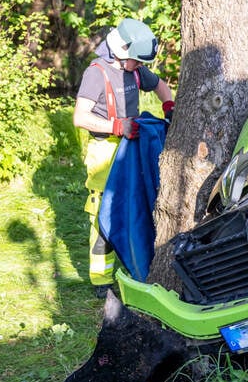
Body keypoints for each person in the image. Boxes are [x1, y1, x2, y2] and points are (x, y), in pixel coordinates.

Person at [73, 18, 174, 297]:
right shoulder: (97, 73)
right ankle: (101, 280)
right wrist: (117, 126)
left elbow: (160, 85)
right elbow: (80, 117)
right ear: (121, 52)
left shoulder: (135, 70)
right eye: (137, 62)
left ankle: (134, 258)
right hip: (105, 151)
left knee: (135, 203)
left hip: (132, 147)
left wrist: (169, 106)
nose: (140, 68)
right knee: (103, 212)